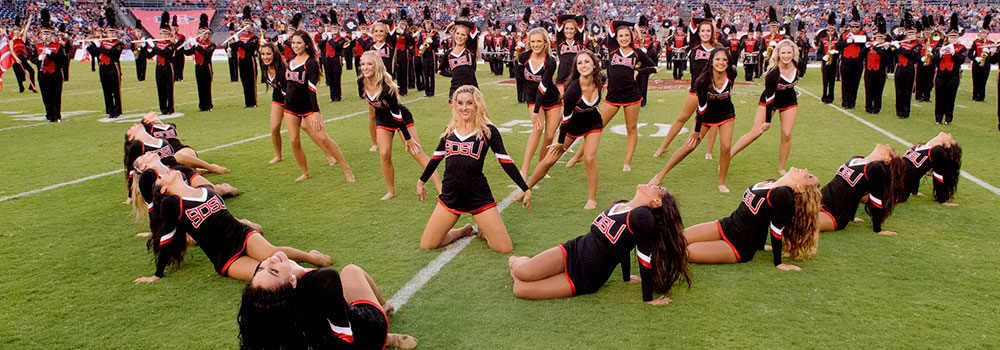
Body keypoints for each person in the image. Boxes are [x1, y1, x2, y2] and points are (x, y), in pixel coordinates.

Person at [133, 170, 333, 283]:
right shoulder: (172, 204)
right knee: (264, 271)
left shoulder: (205, 189)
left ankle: (311, 257)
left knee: (272, 252)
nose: (164, 173)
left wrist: (247, 224)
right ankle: (310, 276)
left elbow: (226, 217)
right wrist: (157, 274)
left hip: (242, 234)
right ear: (164, 189)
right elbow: (168, 237)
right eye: (160, 178)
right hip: (224, 256)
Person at [508, 184, 690, 304]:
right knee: (520, 272)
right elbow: (624, 246)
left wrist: (648, 299)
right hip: (573, 249)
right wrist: (626, 278)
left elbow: (644, 255)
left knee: (520, 288)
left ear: (656, 202)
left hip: (585, 276)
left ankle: (521, 263)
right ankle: (521, 264)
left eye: (657, 188)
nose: (652, 184)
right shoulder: (620, 204)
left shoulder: (643, 217)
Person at [417, 86, 531, 253]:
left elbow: (505, 162)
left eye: (469, 103)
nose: (464, 107)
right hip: (451, 195)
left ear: (477, 105)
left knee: (504, 248)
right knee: (428, 244)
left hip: (478, 195)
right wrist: (421, 181)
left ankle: (484, 233)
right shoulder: (449, 131)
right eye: (460, 103)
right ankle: (462, 231)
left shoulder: (488, 131)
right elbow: (436, 158)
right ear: (454, 105)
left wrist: (525, 188)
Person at [238, 255, 418, 349]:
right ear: (292, 283)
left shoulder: (280, 317)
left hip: (332, 338)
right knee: (350, 270)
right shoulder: (323, 282)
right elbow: (329, 278)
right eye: (274, 271)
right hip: (369, 334)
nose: (270, 261)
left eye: (261, 268)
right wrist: (299, 270)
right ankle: (386, 317)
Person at [682, 168, 821, 270]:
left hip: (738, 245)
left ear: (801, 188)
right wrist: (760, 245)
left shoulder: (784, 195)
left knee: (685, 251)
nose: (805, 170)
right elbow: (763, 216)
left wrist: (779, 263)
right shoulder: (772, 182)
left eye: (808, 176)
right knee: (679, 236)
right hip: (727, 224)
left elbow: (776, 228)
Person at [515, 50, 604, 209]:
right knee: (549, 160)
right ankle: (526, 188)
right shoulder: (573, 91)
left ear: (594, 64)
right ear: (576, 68)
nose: (583, 65)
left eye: (587, 62)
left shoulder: (600, 80)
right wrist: (560, 142)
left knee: (589, 158)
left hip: (593, 122)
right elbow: (566, 119)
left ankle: (592, 198)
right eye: (580, 63)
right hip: (572, 125)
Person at [568, 19, 655, 171]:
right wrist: (633, 24)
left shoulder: (637, 53)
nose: (623, 38)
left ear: (631, 37)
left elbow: (653, 67)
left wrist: (638, 72)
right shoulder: (613, 47)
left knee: (631, 129)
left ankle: (627, 162)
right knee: (593, 127)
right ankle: (577, 156)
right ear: (616, 37)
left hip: (632, 97)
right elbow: (613, 23)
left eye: (627, 35)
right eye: (621, 36)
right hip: (613, 96)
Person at [649, 48, 736, 193]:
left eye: (725, 60)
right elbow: (701, 108)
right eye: (718, 59)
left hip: (726, 114)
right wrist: (696, 131)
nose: (721, 63)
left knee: (726, 147)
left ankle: (721, 182)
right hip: (706, 116)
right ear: (711, 61)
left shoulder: (732, 73)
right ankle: (660, 174)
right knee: (689, 146)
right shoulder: (702, 80)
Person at [359, 51, 442, 200]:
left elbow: (397, 116)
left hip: (401, 119)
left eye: (369, 64)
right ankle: (391, 191)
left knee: (416, 153)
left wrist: (408, 139)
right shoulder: (361, 82)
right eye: (363, 64)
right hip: (382, 120)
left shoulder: (386, 88)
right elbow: (372, 104)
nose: (365, 67)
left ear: (377, 66)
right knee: (384, 153)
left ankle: (442, 190)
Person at [283, 31, 354, 182]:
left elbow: (312, 89)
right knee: (294, 140)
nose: (295, 46)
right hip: (290, 107)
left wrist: (316, 112)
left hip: (308, 107)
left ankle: (346, 168)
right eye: (293, 43)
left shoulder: (311, 63)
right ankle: (305, 172)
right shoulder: (290, 60)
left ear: (306, 44)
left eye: (299, 43)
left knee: (323, 137)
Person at [729, 39, 800, 175]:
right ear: (778, 54)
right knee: (756, 132)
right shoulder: (773, 73)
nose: (786, 56)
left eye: (789, 53)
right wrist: (768, 121)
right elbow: (769, 98)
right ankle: (728, 156)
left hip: (789, 101)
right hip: (770, 102)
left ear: (793, 53)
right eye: (783, 53)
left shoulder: (797, 65)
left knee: (786, 134)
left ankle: (781, 167)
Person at [652, 17, 716, 159]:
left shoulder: (718, 50)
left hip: (711, 93)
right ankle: (664, 146)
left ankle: (709, 151)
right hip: (695, 90)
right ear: (698, 33)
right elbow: (693, 21)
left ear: (712, 33)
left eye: (708, 31)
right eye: (703, 31)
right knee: (682, 118)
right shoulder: (694, 45)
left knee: (713, 122)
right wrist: (709, 19)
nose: (705, 33)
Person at [818, 144, 906, 235]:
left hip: (834, 213)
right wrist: (851, 217)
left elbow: (876, 199)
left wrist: (878, 230)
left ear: (888, 159)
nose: (887, 145)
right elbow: (855, 193)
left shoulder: (876, 168)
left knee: (805, 222)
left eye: (891, 150)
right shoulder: (856, 159)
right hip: (819, 199)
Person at [518, 27, 562, 178]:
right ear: (529, 42)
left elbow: (543, 87)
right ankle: (524, 169)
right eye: (533, 41)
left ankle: (541, 166)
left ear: (545, 43)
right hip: (532, 98)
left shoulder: (550, 61)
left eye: (539, 41)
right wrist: (525, 99)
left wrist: (537, 110)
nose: (536, 44)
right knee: (537, 128)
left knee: (549, 135)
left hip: (551, 98)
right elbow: (520, 79)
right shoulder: (523, 57)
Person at [900, 132, 962, 205]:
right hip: (896, 179)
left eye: (952, 138)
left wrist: (942, 200)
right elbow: (916, 170)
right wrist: (914, 191)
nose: (949, 134)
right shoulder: (923, 146)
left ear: (948, 145)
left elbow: (938, 176)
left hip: (898, 187)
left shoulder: (938, 151)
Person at [86, 7, 124, 119]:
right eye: (109, 32)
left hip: (113, 67)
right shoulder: (103, 42)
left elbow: (112, 53)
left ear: (116, 33)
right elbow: (95, 53)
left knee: (115, 90)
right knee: (106, 90)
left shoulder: (119, 44)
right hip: (103, 67)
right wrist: (90, 46)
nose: (111, 34)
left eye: (113, 32)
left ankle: (117, 110)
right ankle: (110, 110)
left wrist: (99, 47)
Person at [31, 9, 68, 123]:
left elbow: (63, 60)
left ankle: (56, 115)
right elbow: (32, 58)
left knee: (56, 95)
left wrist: (51, 54)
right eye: (44, 34)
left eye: (48, 34)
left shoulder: (58, 46)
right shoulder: (37, 46)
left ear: (52, 35)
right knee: (45, 95)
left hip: (55, 74)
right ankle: (49, 115)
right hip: (42, 74)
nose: (45, 36)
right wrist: (38, 59)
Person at [439, 8, 480, 102]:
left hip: (471, 90)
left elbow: (473, 27)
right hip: (455, 91)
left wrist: (455, 22)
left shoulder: (470, 50)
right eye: (457, 33)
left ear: (467, 37)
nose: (459, 37)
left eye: (463, 35)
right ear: (454, 35)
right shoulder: (448, 54)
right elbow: (440, 70)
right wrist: (454, 75)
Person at [933, 14, 966, 125]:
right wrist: (940, 54)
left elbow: (961, 60)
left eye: (955, 37)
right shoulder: (939, 47)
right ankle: (938, 118)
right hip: (941, 74)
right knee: (939, 97)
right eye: (951, 37)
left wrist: (953, 53)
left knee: (950, 97)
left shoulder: (961, 48)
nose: (953, 39)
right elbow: (934, 60)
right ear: (947, 37)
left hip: (953, 75)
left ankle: (948, 118)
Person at [259, 42, 287, 164]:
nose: (265, 57)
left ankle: (328, 153)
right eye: (263, 54)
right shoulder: (264, 68)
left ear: (275, 54)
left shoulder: (283, 69)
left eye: (268, 54)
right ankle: (278, 155)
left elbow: (291, 90)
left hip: (292, 99)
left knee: (307, 128)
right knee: (275, 127)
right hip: (278, 97)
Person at [836, 6, 866, 109]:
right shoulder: (844, 35)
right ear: (849, 27)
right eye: (852, 27)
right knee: (845, 83)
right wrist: (846, 42)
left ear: (859, 27)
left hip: (857, 62)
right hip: (846, 62)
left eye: (857, 27)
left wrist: (856, 39)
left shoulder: (863, 35)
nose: (854, 29)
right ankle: (845, 102)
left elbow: (865, 44)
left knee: (855, 83)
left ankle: (852, 102)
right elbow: (837, 46)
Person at [894, 12, 921, 119]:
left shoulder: (917, 45)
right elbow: (894, 53)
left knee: (907, 91)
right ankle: (899, 111)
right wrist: (894, 45)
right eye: (908, 34)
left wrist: (899, 47)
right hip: (900, 67)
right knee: (899, 90)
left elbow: (910, 54)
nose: (910, 36)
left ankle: (906, 112)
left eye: (912, 34)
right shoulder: (902, 41)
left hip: (909, 68)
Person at [187, 14, 216, 112]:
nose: (204, 35)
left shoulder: (211, 44)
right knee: (200, 86)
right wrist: (185, 46)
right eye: (202, 32)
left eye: (206, 33)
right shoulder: (197, 43)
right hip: (198, 67)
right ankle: (202, 105)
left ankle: (209, 105)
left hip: (207, 67)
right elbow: (188, 53)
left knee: (207, 86)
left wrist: (197, 45)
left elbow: (206, 54)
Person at [151, 11, 177, 115]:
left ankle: (170, 107)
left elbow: (165, 53)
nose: (164, 35)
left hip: (168, 67)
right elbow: (149, 55)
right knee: (160, 87)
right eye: (162, 33)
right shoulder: (158, 43)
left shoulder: (171, 44)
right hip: (159, 67)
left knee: (169, 88)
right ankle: (163, 108)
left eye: (166, 33)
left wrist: (156, 48)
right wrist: (143, 47)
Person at [318, 10, 347, 102]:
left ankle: (338, 96)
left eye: (335, 28)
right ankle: (332, 96)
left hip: (336, 59)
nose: (333, 30)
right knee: (330, 78)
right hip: (328, 59)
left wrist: (330, 39)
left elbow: (337, 47)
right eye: (332, 28)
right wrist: (322, 40)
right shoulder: (328, 39)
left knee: (336, 78)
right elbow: (321, 47)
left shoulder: (341, 39)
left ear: (338, 29)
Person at [235, 7, 260, 108]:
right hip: (241, 61)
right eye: (245, 24)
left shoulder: (254, 37)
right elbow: (235, 47)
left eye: (248, 25)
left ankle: (253, 102)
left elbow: (248, 47)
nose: (246, 26)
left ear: (252, 26)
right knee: (244, 81)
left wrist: (238, 42)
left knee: (251, 81)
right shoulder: (240, 36)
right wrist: (232, 42)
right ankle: (247, 102)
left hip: (250, 60)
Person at [864, 14, 889, 115]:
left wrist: (876, 47)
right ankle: (868, 106)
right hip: (869, 70)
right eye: (877, 38)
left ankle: (877, 107)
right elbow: (861, 55)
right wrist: (866, 47)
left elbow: (886, 57)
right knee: (869, 89)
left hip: (880, 71)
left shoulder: (885, 48)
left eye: (881, 38)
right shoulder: (870, 45)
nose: (879, 39)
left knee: (878, 90)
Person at [555, 14, 584, 95]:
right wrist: (571, 17)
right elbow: (559, 18)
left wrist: (573, 18)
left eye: (572, 28)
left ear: (575, 30)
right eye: (566, 28)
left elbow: (581, 19)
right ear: (563, 30)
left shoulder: (579, 41)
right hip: (562, 77)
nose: (569, 31)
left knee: (574, 103)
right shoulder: (560, 41)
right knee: (562, 101)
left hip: (576, 77)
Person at [970, 15, 995, 103]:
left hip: (986, 64)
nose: (983, 34)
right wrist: (975, 58)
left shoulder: (991, 43)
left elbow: (993, 58)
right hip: (977, 63)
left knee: (984, 80)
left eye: (985, 33)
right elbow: (969, 54)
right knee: (976, 80)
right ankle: (975, 96)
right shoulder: (976, 42)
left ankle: (982, 97)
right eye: (982, 32)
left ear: (987, 34)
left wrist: (992, 51)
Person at [417, 8, 439, 97]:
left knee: (431, 74)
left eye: (429, 23)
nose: (428, 25)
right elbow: (419, 43)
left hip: (431, 54)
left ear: (431, 25)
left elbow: (437, 43)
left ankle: (432, 92)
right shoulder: (421, 33)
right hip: (424, 54)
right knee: (425, 73)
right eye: (426, 23)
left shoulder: (435, 33)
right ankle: (427, 91)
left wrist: (432, 42)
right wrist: (420, 46)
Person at [170, 16, 186, 82]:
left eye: (176, 28)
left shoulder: (181, 36)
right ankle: (174, 76)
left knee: (180, 65)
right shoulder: (169, 36)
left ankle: (180, 76)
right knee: (173, 66)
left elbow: (180, 43)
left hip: (180, 53)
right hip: (172, 54)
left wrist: (175, 38)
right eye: (173, 28)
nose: (175, 29)